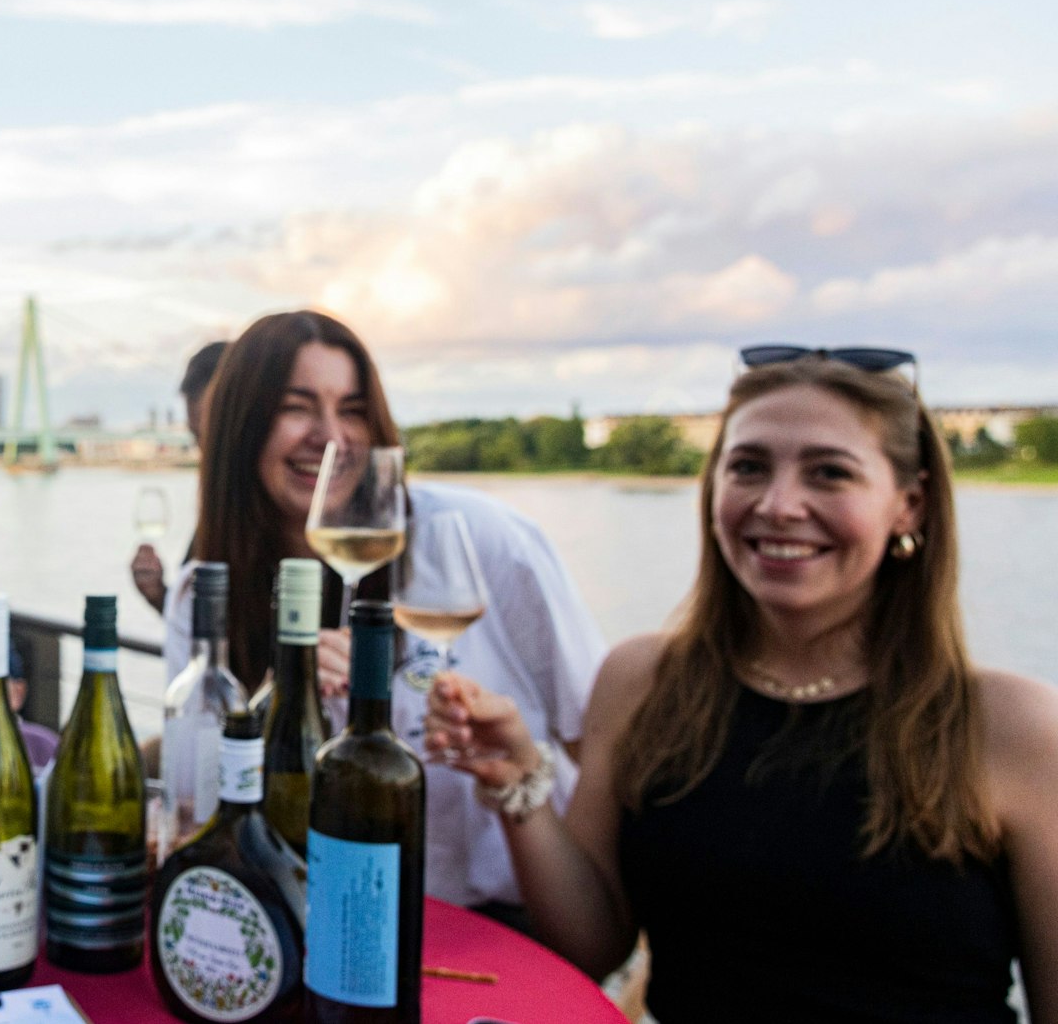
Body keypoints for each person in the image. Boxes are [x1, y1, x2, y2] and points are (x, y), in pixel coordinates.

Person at [426, 349, 1058, 1022]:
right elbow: (590, 945)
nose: (779, 504)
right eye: (749, 467)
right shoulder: (644, 682)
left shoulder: (1013, 726)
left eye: (829, 473)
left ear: (910, 505)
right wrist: (519, 782)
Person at [160, 310, 605, 926]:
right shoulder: (202, 593)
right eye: (296, 407)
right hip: (308, 916)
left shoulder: (482, 540)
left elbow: (595, 738)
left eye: (352, 409)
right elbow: (194, 807)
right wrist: (279, 696)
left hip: (495, 923)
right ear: (236, 428)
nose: (331, 435)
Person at [132, 340, 228, 613]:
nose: (207, 455)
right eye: (198, 438)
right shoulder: (220, 509)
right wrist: (160, 595)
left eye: (218, 439)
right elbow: (201, 629)